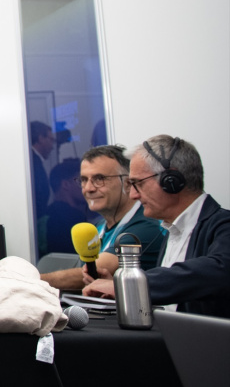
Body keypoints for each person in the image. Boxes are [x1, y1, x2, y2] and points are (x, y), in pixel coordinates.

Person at [83, 136, 230, 317]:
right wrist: (122, 289)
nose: (133, 195)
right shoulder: (171, 231)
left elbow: (218, 272)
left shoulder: (223, 225)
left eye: (139, 183)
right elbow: (174, 299)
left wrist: (131, 285)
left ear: (171, 181)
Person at [41, 145, 166, 291]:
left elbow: (92, 273)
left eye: (99, 179)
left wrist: (28, 280)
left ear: (127, 183)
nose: (88, 188)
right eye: (83, 180)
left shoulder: (146, 226)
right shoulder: (98, 227)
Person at [30, 120, 55, 216]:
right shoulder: (32, 163)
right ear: (41, 138)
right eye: (51, 140)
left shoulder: (33, 160)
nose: (52, 146)